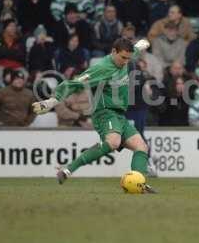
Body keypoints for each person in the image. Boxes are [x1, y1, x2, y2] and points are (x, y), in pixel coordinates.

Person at [32, 38, 156, 192]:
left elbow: (134, 51)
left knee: (141, 147)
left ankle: (139, 183)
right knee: (113, 142)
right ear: (113, 52)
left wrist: (140, 44)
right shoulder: (102, 68)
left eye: (128, 58)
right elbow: (75, 83)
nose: (125, 62)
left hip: (119, 115)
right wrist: (52, 101)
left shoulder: (126, 57)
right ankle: (69, 169)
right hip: (105, 112)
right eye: (123, 58)